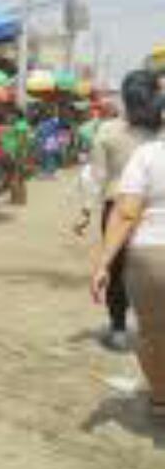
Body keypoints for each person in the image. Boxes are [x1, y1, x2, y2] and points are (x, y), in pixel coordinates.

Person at [92, 76, 165, 419]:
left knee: (151, 329)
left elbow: (107, 186)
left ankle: (160, 397)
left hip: (139, 232)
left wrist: (102, 263)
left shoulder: (113, 135)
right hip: (137, 222)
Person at [81, 71, 162, 351]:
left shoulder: (107, 131)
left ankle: (118, 327)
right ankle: (150, 326)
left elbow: (96, 177)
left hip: (117, 207)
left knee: (115, 268)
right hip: (155, 210)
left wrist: (85, 211)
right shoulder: (161, 132)